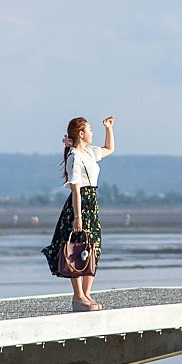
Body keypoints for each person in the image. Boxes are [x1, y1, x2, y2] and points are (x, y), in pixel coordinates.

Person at [41, 115, 115, 312]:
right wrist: (77, 217)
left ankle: (87, 293)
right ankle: (78, 296)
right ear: (81, 134)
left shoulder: (89, 152)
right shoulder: (74, 156)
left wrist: (109, 128)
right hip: (79, 205)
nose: (92, 133)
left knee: (93, 248)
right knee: (75, 249)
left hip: (92, 203)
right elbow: (75, 189)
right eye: (90, 130)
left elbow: (109, 149)